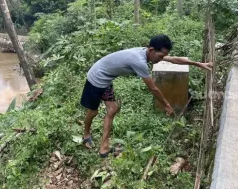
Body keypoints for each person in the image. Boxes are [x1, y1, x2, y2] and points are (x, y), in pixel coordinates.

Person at [80, 34, 212, 158]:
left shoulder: (148, 53)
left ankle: (104, 148)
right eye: (160, 56)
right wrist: (167, 105)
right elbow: (153, 88)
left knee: (112, 109)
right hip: (96, 78)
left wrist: (198, 64)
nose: (161, 60)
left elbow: (173, 59)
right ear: (151, 50)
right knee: (93, 111)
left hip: (106, 79)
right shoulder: (139, 61)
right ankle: (86, 135)